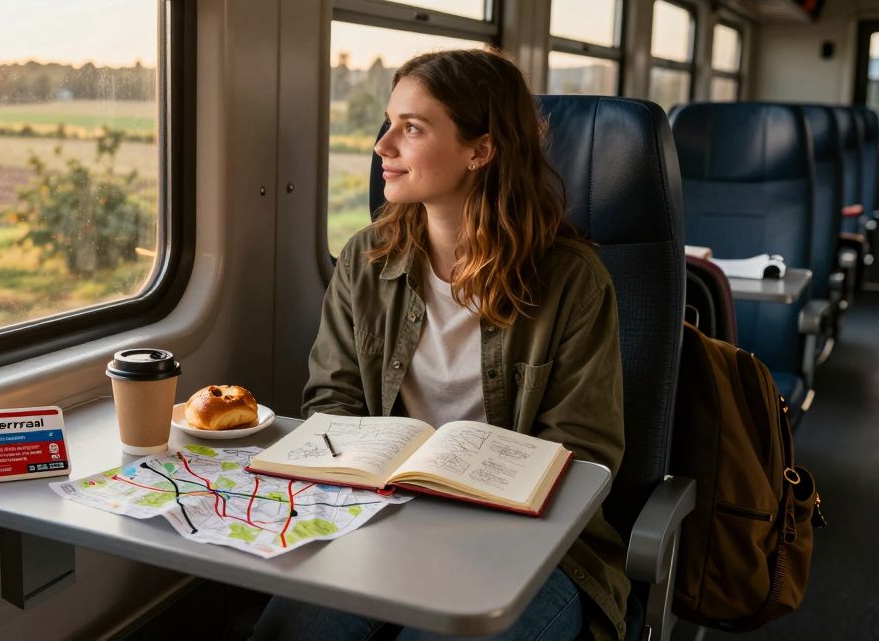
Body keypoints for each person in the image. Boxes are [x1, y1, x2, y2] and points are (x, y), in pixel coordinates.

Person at [251, 48, 628, 641]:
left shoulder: (573, 282)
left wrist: (462, 500)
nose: (383, 146)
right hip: (385, 521)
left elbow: (583, 452)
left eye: (413, 128)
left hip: (531, 548)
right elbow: (333, 400)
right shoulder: (366, 260)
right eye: (389, 121)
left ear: (480, 150)